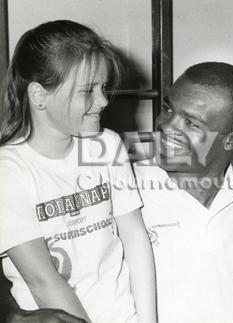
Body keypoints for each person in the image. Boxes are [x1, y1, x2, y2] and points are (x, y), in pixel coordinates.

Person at [0, 20, 156, 323]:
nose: (103, 100)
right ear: (39, 96)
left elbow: (136, 240)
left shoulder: (108, 146)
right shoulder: (9, 172)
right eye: (88, 90)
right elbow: (43, 282)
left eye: (104, 87)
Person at [133, 62, 233, 323]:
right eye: (167, 108)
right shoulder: (126, 190)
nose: (167, 126)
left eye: (190, 122)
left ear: (232, 140)